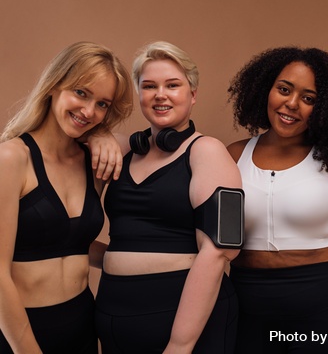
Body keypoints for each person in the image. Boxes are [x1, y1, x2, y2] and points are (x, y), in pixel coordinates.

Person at [226, 46, 328, 354]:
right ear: (265, 88)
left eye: (309, 99)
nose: (292, 104)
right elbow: (219, 239)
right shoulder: (232, 156)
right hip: (250, 303)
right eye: (284, 89)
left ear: (324, 108)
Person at [94, 41, 242, 354]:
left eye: (172, 85)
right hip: (113, 315)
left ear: (193, 94)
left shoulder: (209, 152)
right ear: (139, 94)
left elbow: (221, 250)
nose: (160, 94)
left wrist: (180, 343)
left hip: (182, 320)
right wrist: (97, 135)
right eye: (149, 86)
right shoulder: (120, 150)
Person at [0, 42, 133, 353]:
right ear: (54, 85)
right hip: (21, 335)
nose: (88, 111)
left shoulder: (92, 162)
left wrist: (102, 135)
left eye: (103, 104)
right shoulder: (11, 158)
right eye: (81, 93)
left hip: (84, 326)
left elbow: (70, 245)